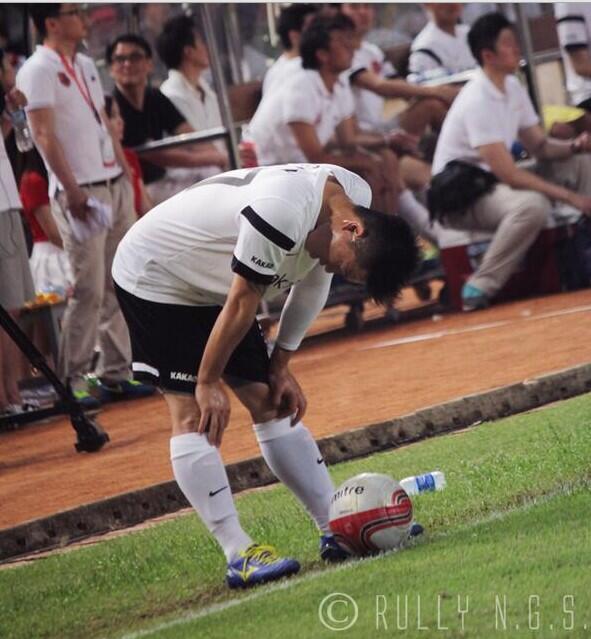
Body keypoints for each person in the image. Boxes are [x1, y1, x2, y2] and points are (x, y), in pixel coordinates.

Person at [112, 163, 420, 588]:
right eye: (350, 269)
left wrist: (279, 365)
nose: (339, 273)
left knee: (273, 401)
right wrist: (207, 383)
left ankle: (337, 528)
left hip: (217, 283)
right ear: (353, 230)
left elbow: (314, 278)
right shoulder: (283, 211)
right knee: (191, 414)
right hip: (159, 274)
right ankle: (238, 553)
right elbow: (243, 302)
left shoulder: (351, 202)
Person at [16, 4, 155, 408]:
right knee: (89, 288)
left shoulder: (84, 63)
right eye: (74, 11)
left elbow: (102, 121)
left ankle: (116, 370)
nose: (85, 17)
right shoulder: (37, 69)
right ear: (52, 23)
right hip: (81, 191)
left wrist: (122, 168)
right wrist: (71, 189)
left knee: (120, 280)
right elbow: (42, 134)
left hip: (110, 180)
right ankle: (72, 380)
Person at [431, 12, 591, 312]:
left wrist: (575, 145)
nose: (517, 48)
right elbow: (509, 174)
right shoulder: (478, 97)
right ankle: (479, 285)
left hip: (490, 183)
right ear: (488, 55)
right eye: (508, 44)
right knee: (531, 205)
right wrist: (574, 198)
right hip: (462, 196)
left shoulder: (512, 87)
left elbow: (540, 146)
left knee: (582, 163)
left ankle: (582, 249)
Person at [249, 13, 433, 243]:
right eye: (342, 43)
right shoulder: (300, 86)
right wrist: (366, 162)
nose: (352, 48)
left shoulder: (338, 82)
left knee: (385, 160)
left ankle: (388, 243)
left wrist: (387, 141)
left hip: (303, 166)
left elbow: (349, 138)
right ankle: (366, 248)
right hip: (273, 172)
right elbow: (314, 156)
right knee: (367, 175)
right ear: (322, 55)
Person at [107, 33, 227, 205]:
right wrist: (215, 158)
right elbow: (157, 155)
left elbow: (187, 133)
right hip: (135, 187)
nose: (127, 64)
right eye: (120, 59)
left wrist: (220, 157)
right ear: (111, 68)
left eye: (135, 57)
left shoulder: (154, 96)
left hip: (163, 179)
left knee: (213, 176)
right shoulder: (114, 107)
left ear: (149, 64)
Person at [340, 3, 457, 138]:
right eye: (354, 7)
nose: (363, 13)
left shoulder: (372, 51)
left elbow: (396, 83)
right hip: (363, 130)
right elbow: (380, 86)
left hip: (383, 120)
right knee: (431, 104)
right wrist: (437, 92)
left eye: (367, 7)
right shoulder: (341, 52)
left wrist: (437, 92)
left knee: (435, 103)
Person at [0, 57, 36, 416]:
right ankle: (7, 394)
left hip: (6, 203)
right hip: (0, 208)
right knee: (8, 306)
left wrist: (12, 117)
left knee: (13, 305)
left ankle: (10, 391)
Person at [156, 15, 225, 183]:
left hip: (221, 174)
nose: (207, 48)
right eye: (201, 42)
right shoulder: (171, 96)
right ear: (188, 51)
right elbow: (196, 150)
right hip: (191, 183)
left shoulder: (207, 92)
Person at [19, 146, 73, 293]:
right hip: (51, 256)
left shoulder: (53, 177)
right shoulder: (33, 181)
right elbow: (52, 232)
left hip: (66, 247)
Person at [104, 95, 152, 217]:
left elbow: (144, 205)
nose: (121, 121)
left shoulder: (130, 156)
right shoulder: (97, 166)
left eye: (119, 115)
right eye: (113, 116)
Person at [262, 4, 318, 96]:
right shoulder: (281, 75)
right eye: (314, 29)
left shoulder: (313, 64)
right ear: (294, 36)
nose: (322, 33)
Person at [409, 4, 477, 77]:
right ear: (427, 4)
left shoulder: (469, 32)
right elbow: (425, 85)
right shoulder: (424, 48)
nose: (451, 4)